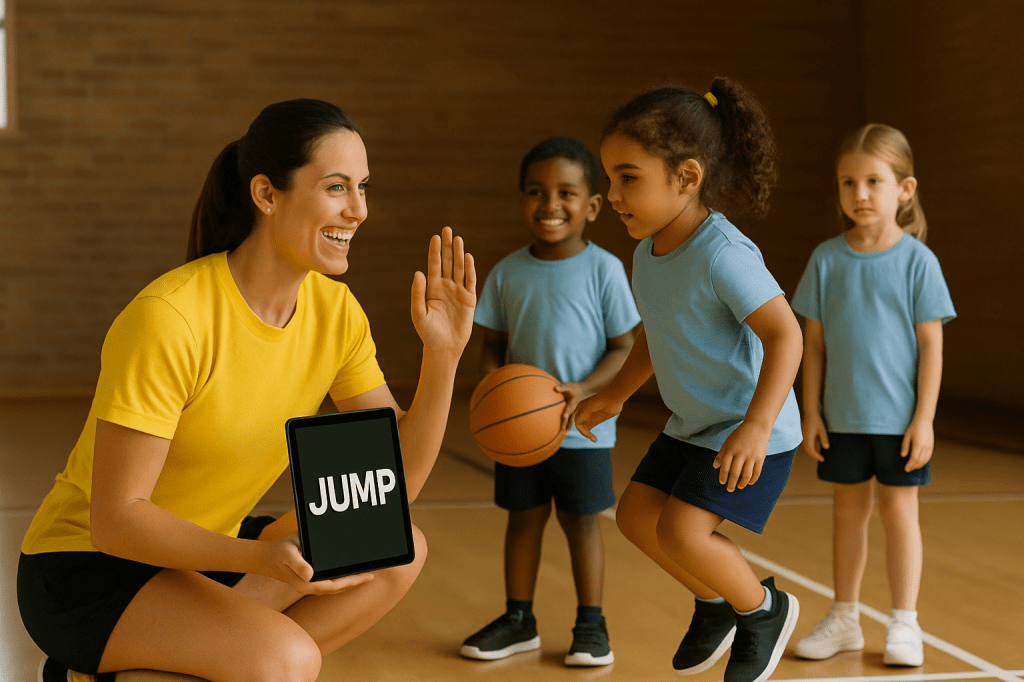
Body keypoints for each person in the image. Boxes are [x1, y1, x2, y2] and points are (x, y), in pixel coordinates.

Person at [17, 99, 477, 682]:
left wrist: (443, 357)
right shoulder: (171, 317)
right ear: (266, 194)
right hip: (91, 570)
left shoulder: (335, 312)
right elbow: (117, 520)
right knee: (287, 660)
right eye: (336, 187)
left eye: (363, 187)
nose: (358, 210)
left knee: (398, 547)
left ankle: (163, 667)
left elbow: (391, 489)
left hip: (207, 555)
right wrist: (260, 558)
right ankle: (188, 656)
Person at [574, 80, 804, 682]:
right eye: (609, 177)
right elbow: (655, 334)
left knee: (682, 528)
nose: (612, 194)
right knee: (634, 517)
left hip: (753, 427)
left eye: (628, 177)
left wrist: (755, 426)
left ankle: (763, 609)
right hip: (696, 423)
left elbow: (786, 335)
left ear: (686, 176)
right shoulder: (647, 253)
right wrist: (614, 395)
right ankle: (714, 602)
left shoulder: (723, 253)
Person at [459, 137, 640, 667]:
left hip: (583, 427)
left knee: (582, 522)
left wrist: (585, 390)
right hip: (521, 433)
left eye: (566, 192)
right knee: (524, 518)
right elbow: (490, 350)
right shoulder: (508, 272)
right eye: (536, 192)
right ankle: (519, 621)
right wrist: (495, 396)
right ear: (521, 199)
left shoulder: (605, 269)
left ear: (592, 205)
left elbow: (625, 347)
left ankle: (592, 625)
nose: (550, 204)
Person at [790, 123, 955, 667]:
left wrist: (924, 419)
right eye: (848, 183)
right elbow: (811, 344)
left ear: (904, 190)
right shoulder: (826, 259)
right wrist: (810, 411)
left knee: (900, 513)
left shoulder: (917, 262)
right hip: (842, 419)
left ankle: (905, 623)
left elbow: (931, 346)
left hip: (900, 420)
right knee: (847, 513)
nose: (859, 195)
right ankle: (845, 618)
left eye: (873, 182)